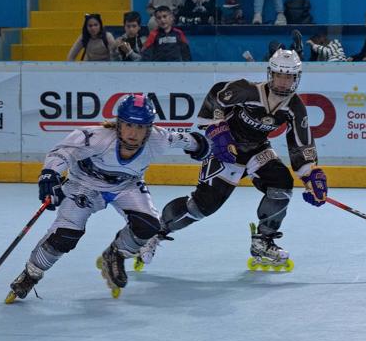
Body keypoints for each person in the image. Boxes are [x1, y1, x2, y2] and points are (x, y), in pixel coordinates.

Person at [5, 94, 211, 302]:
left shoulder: (158, 139)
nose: (133, 133)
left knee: (149, 226)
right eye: (129, 125)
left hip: (126, 186)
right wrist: (50, 174)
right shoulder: (96, 137)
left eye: (140, 128)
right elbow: (62, 151)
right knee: (65, 235)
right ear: (119, 124)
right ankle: (31, 274)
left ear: (149, 129)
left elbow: (182, 139)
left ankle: (116, 253)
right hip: (83, 186)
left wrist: (200, 145)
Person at [139, 49, 328, 270]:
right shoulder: (247, 90)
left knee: (282, 182)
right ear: (270, 74)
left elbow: (300, 143)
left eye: (289, 77)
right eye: (279, 75)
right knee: (201, 207)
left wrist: (311, 174)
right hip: (226, 150)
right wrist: (217, 127)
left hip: (257, 150)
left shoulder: (295, 107)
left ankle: (263, 241)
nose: (283, 82)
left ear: (296, 78)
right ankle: (155, 231)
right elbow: (217, 96)